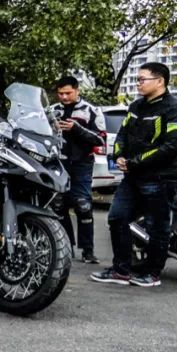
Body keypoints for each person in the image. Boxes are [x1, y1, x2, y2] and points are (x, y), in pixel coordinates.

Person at [91, 62, 177, 288]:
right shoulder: (135, 106)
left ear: (159, 81)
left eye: (142, 79)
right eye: (137, 79)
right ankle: (121, 270)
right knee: (117, 217)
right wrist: (119, 155)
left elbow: (171, 146)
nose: (138, 83)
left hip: (161, 179)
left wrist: (134, 162)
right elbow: (122, 134)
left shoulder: (175, 109)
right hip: (132, 177)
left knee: (157, 227)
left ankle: (152, 273)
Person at [49, 75, 106, 264]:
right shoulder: (52, 111)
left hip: (82, 163)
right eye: (60, 93)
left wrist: (77, 128)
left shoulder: (91, 111)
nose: (64, 97)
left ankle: (88, 250)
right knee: (58, 205)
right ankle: (65, 247)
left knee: (83, 205)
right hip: (58, 164)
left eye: (68, 93)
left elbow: (100, 139)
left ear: (77, 90)